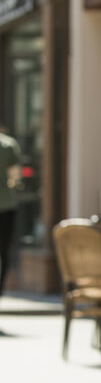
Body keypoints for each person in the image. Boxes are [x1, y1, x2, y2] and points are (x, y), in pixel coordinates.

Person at [0, 122, 22, 296]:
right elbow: (15, 177)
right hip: (5, 204)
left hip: (6, 205)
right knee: (4, 251)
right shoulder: (8, 145)